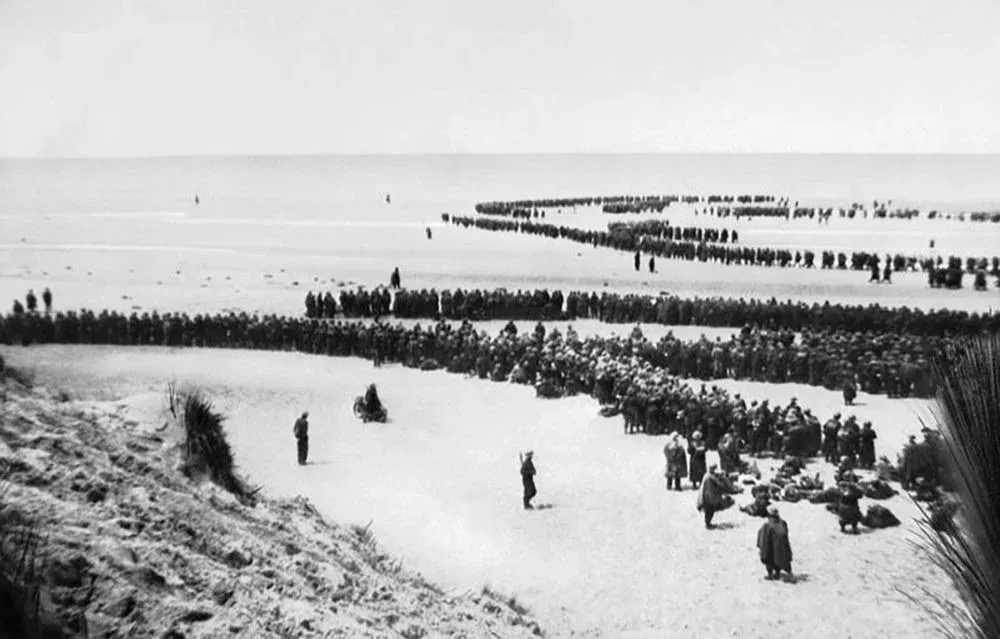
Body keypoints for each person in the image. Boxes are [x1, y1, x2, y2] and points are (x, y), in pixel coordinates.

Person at [757, 506, 793, 581]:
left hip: (772, 548)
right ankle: (779, 572)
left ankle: (771, 574)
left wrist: (761, 548)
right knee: (781, 558)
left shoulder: (767, 526)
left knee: (769, 558)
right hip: (782, 549)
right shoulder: (783, 523)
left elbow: (764, 539)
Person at [696, 465, 733, 529]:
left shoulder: (707, 475)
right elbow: (719, 484)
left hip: (706, 496)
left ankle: (708, 523)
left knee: (709, 510)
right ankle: (708, 524)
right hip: (709, 497)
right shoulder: (710, 477)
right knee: (710, 510)